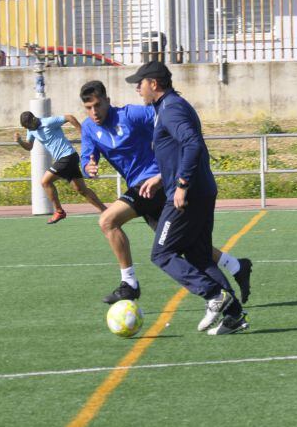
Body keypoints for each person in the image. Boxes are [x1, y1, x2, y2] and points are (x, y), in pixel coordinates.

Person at [78, 80, 252, 305]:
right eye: (88, 108)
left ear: (108, 101)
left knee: (107, 221)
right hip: (145, 190)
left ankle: (129, 283)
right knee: (186, 246)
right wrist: (87, 167)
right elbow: (86, 156)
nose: (94, 112)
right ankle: (235, 267)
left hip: (155, 183)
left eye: (98, 105)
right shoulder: (89, 129)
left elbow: (166, 117)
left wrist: (173, 153)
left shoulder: (131, 115)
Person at [127, 61, 248, 336]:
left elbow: (193, 143)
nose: (137, 88)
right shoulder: (167, 107)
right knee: (199, 256)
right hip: (199, 190)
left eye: (140, 83)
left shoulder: (171, 109)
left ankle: (213, 294)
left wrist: (181, 184)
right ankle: (234, 315)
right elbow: (179, 149)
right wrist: (162, 178)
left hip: (188, 195)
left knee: (162, 253)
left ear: (154, 84)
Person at [15, 111, 107, 224]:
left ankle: (59, 211)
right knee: (82, 190)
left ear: (33, 119)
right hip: (67, 159)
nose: (28, 129)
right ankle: (105, 211)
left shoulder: (48, 122)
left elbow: (69, 117)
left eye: (28, 126)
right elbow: (29, 146)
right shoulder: (31, 130)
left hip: (67, 156)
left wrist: (83, 133)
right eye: (26, 127)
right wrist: (20, 142)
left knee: (45, 182)